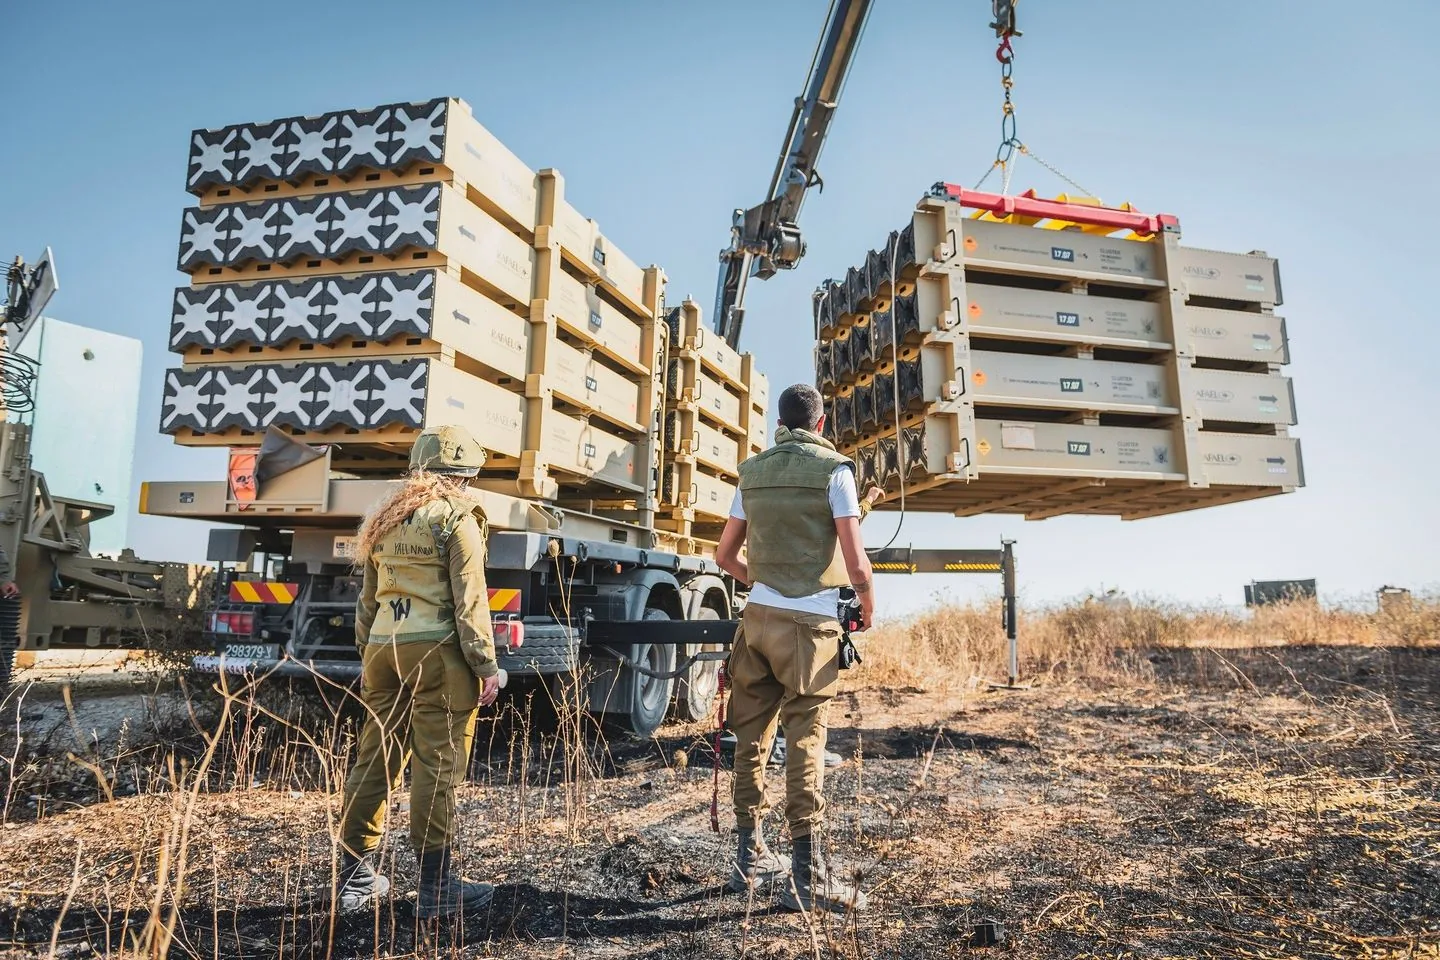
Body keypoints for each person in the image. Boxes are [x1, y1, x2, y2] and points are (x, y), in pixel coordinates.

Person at [715, 383, 874, 913]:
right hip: (810, 626)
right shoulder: (836, 471)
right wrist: (866, 606)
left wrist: (759, 584)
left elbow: (724, 554)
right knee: (805, 739)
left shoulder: (752, 472)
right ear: (822, 424)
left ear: (779, 425)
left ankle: (747, 861)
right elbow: (856, 563)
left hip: (755, 621)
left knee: (750, 739)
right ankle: (808, 877)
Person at [335, 425, 502, 919]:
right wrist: (485, 665)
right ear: (463, 476)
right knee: (438, 763)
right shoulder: (458, 519)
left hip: (383, 650)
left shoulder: (386, 518)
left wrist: (367, 654)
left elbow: (367, 602)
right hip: (437, 652)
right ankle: (436, 888)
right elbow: (470, 602)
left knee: (375, 757)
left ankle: (355, 879)